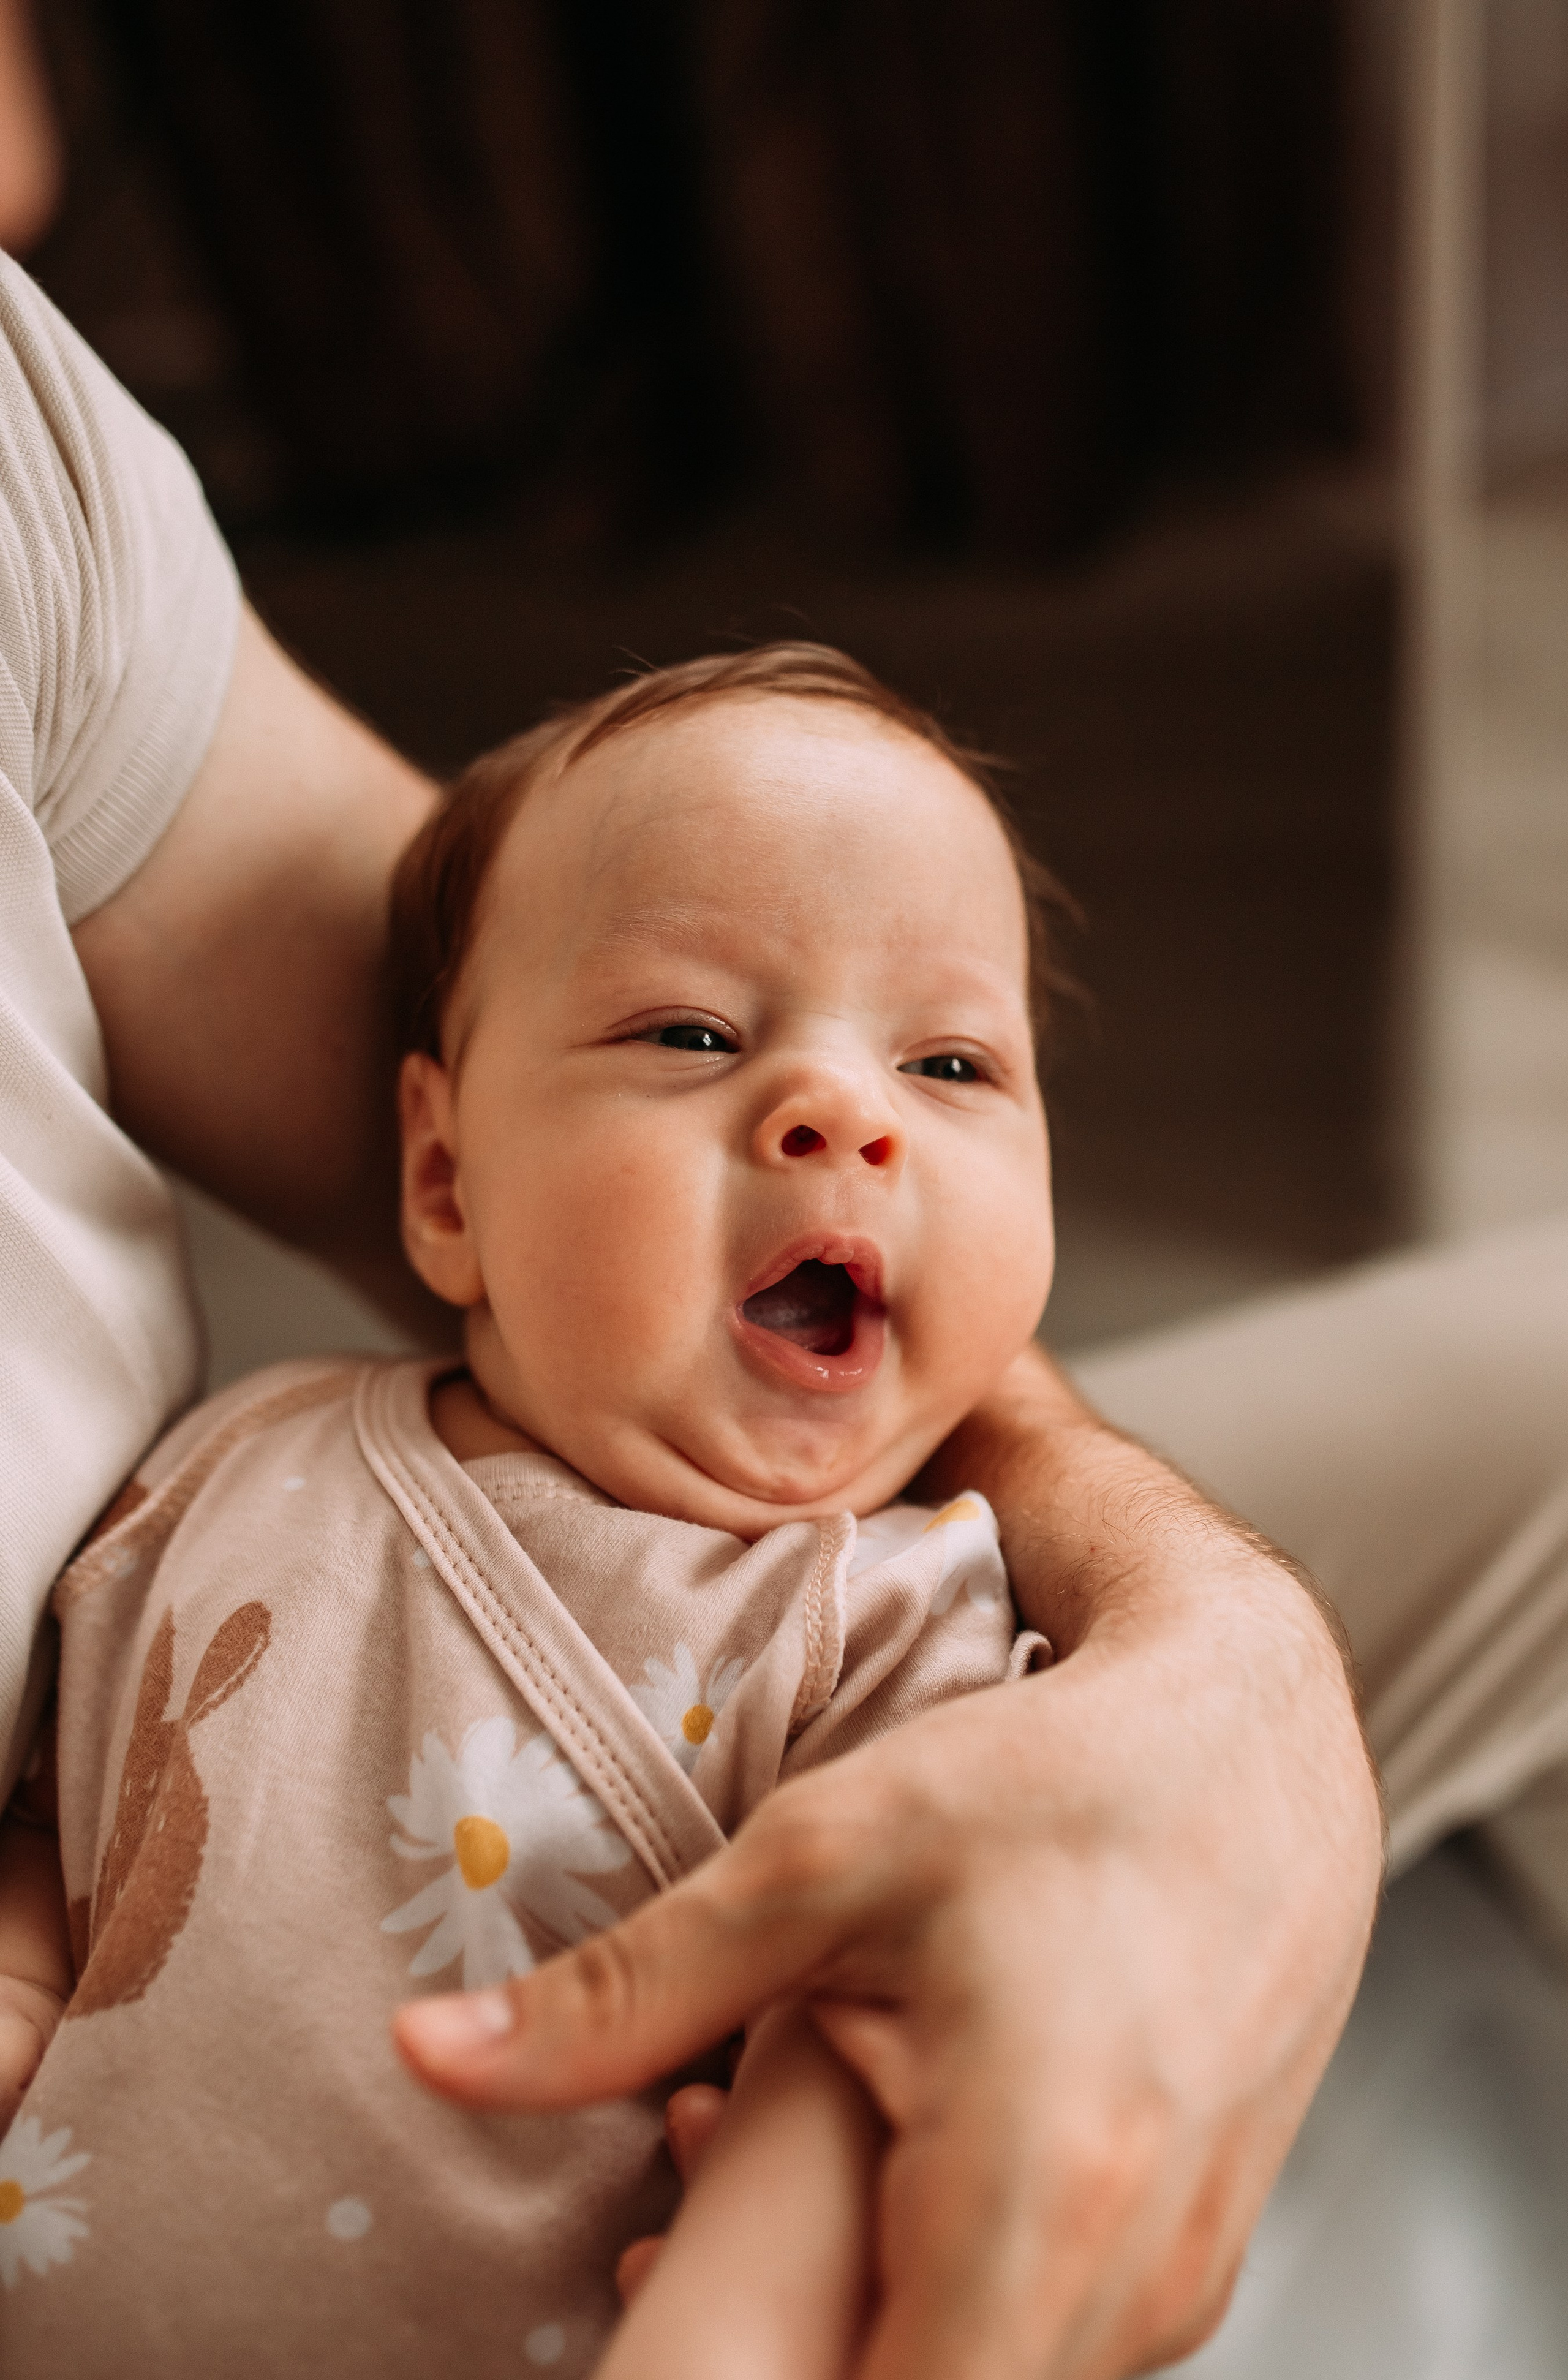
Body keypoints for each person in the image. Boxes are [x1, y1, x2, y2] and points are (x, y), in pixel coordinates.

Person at [0, 242, 1381, 2376]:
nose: (844, 1109)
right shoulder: (225, 1474)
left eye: (952, 1067)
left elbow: (868, 2087)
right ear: (445, 1178)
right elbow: (80, 1825)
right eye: (687, 1035)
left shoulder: (903, 1631)